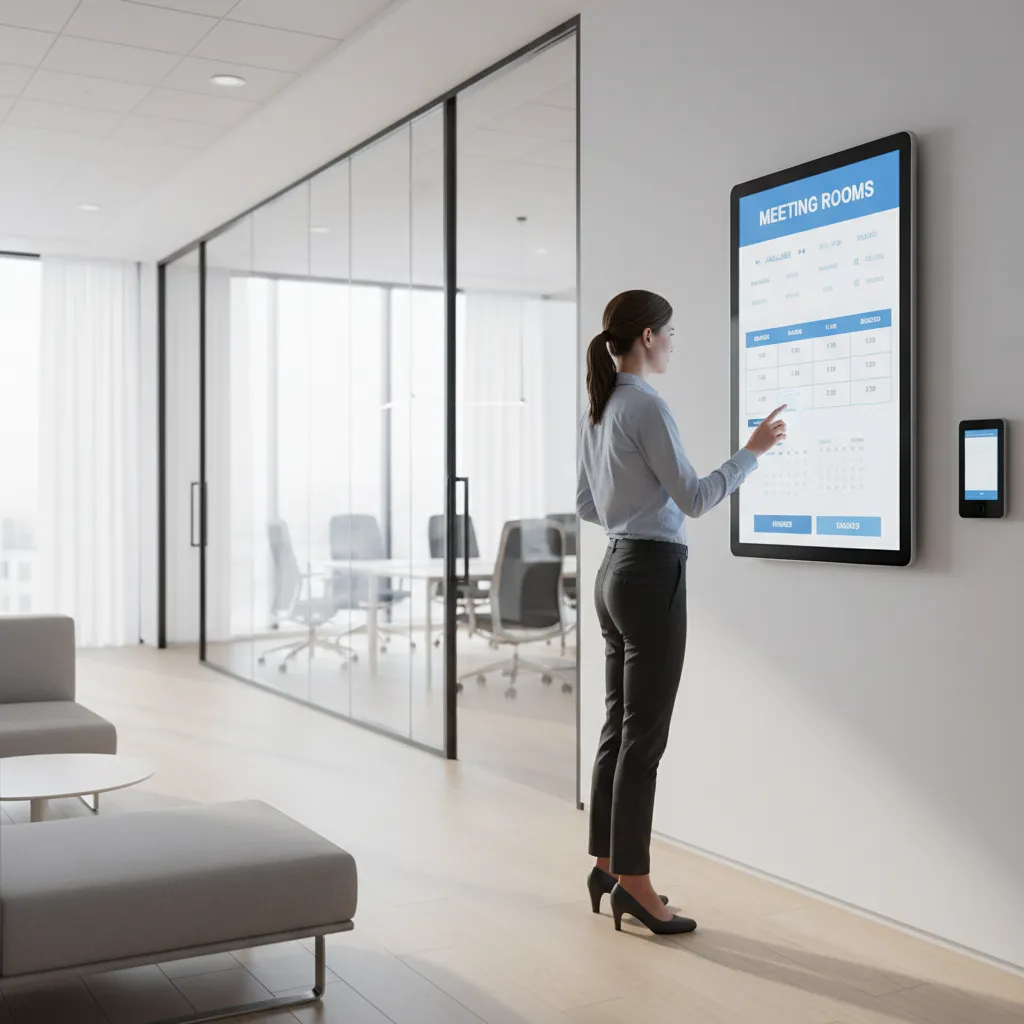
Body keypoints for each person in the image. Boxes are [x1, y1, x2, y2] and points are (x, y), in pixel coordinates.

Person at [578, 289, 786, 936]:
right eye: (670, 332)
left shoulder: (600, 403)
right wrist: (752, 451)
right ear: (646, 336)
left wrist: (631, 509)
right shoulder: (645, 404)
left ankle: (607, 863)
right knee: (645, 737)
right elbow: (694, 498)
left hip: (612, 571)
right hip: (651, 574)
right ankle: (637, 887)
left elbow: (586, 504)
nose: (673, 342)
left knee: (619, 726)